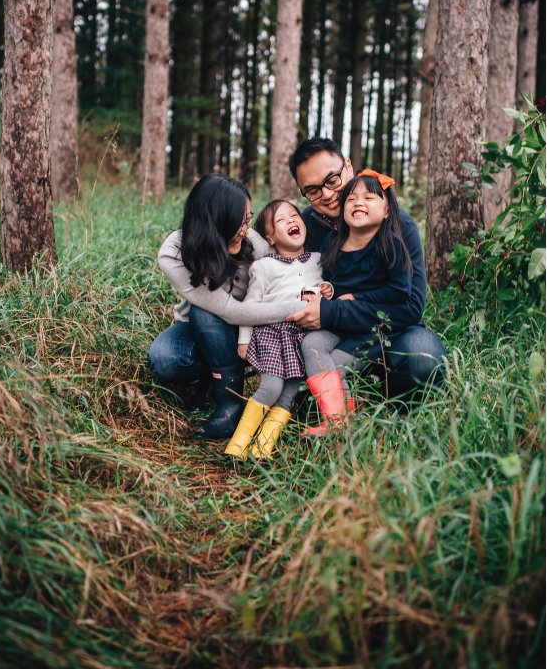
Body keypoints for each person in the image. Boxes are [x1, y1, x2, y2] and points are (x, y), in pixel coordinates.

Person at [148, 174, 305, 440]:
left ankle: (229, 405)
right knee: (166, 358)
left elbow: (280, 284)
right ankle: (214, 378)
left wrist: (304, 305)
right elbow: (227, 310)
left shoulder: (255, 244)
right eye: (239, 222)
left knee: (207, 311)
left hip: (252, 328)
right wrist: (299, 306)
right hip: (201, 327)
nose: (245, 230)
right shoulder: (174, 251)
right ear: (213, 222)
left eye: (248, 219)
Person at [287, 138, 446, 399]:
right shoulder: (307, 226)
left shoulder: (397, 225)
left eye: (332, 180)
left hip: (388, 333)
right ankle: (334, 398)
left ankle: (378, 393)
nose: (327, 194)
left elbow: (411, 306)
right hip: (331, 337)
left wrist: (332, 311)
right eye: (313, 190)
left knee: (422, 355)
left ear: (348, 167)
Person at [299, 170, 415, 437]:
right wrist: (322, 292)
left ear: (387, 211)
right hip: (339, 322)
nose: (358, 202)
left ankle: (338, 422)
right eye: (351, 198)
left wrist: (359, 298)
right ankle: (341, 416)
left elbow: (399, 291)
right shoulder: (333, 243)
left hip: (371, 328)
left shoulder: (390, 245)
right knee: (312, 345)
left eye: (369, 197)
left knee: (337, 364)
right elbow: (331, 280)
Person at [224, 200, 333, 460]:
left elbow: (322, 293)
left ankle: (262, 449)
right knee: (271, 387)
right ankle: (237, 445)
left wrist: (328, 290)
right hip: (273, 335)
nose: (292, 221)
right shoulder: (264, 267)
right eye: (281, 221)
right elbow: (250, 305)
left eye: (294, 216)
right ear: (269, 238)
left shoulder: (318, 260)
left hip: (303, 336)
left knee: (289, 393)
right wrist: (244, 339)